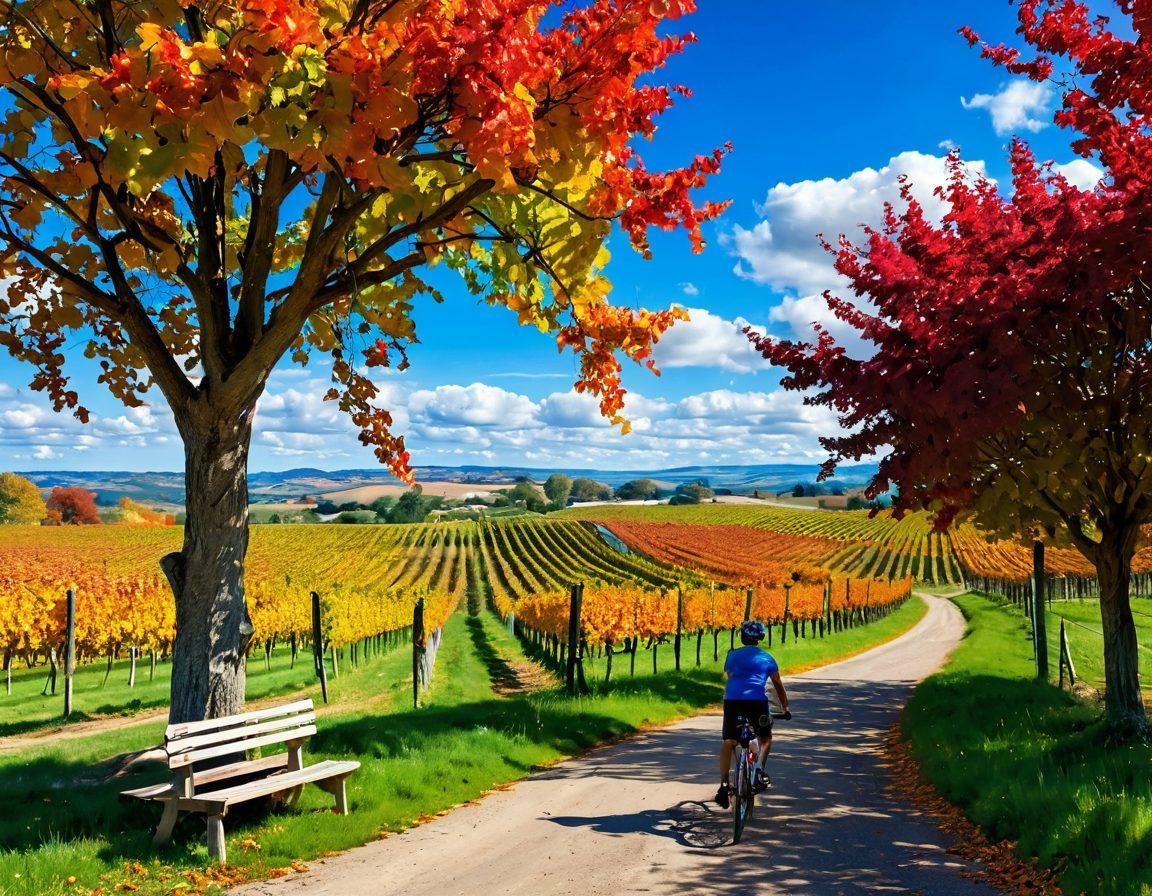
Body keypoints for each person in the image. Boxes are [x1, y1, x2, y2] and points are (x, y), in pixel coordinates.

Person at [715, 619, 790, 809]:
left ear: (742, 636)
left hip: (732, 701)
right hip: (757, 702)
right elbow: (778, 685)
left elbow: (730, 675)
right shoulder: (767, 659)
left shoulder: (732, 655)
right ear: (760, 638)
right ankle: (758, 772)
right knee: (765, 738)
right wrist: (785, 707)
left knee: (729, 741)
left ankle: (724, 785)